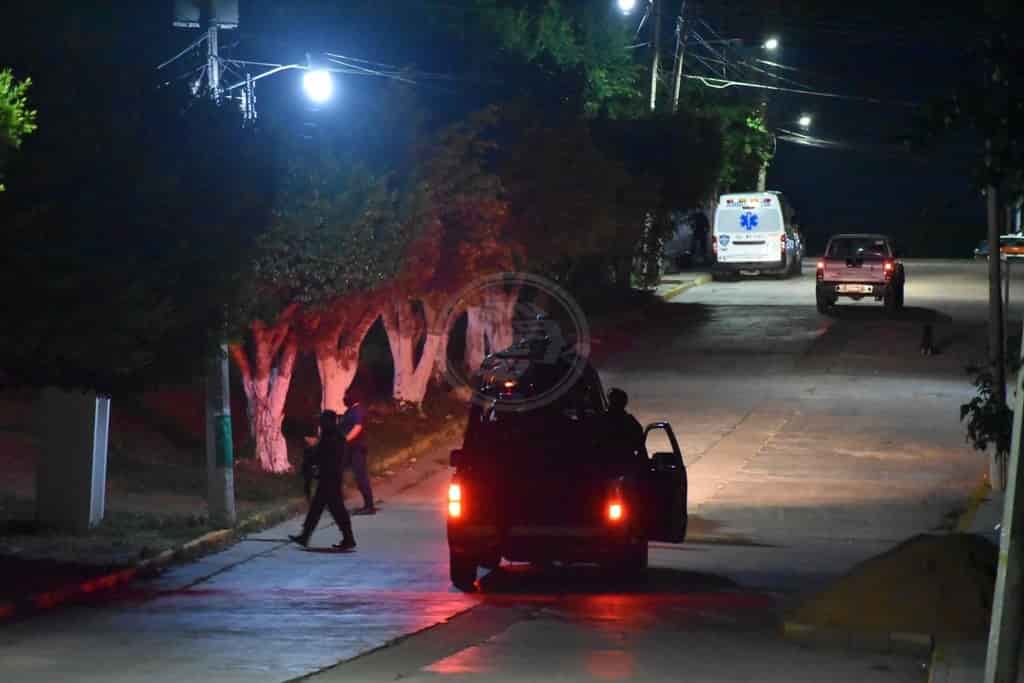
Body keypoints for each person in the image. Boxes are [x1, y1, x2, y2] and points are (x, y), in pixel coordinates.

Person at [289, 411, 356, 551]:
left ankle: (348, 539)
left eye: (323, 421)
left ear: (330, 422)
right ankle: (305, 536)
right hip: (328, 478)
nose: (320, 424)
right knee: (319, 508)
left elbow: (325, 456)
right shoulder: (330, 435)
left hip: (331, 479)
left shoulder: (335, 437)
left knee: (335, 510)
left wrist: (313, 457)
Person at [340, 386, 376, 515]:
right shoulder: (351, 410)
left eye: (346, 395)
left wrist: (344, 440)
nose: (344, 398)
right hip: (350, 449)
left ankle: (369, 506)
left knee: (361, 477)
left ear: (353, 396)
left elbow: (357, 427)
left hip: (357, 449)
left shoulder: (357, 410)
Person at [602, 388, 645, 468]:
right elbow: (640, 444)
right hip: (624, 462)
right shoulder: (630, 421)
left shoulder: (601, 420)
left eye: (612, 401)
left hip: (611, 463)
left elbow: (639, 443)